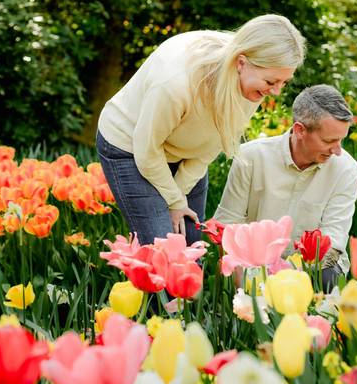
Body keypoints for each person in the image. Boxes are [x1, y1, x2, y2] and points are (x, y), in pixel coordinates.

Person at [96, 15, 307, 246]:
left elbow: (212, 145)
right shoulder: (175, 84)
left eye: (283, 83)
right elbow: (147, 151)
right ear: (241, 62)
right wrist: (175, 201)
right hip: (132, 149)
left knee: (190, 244)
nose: (276, 92)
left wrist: (177, 197)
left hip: (187, 154)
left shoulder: (252, 84)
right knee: (162, 248)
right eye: (271, 82)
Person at [214, 84, 357, 291]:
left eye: (341, 140)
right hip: (251, 265)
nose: (337, 150)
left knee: (328, 279)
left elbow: (333, 239)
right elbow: (227, 223)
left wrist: (286, 273)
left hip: (312, 269)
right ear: (300, 130)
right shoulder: (250, 158)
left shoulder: (346, 170)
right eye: (330, 141)